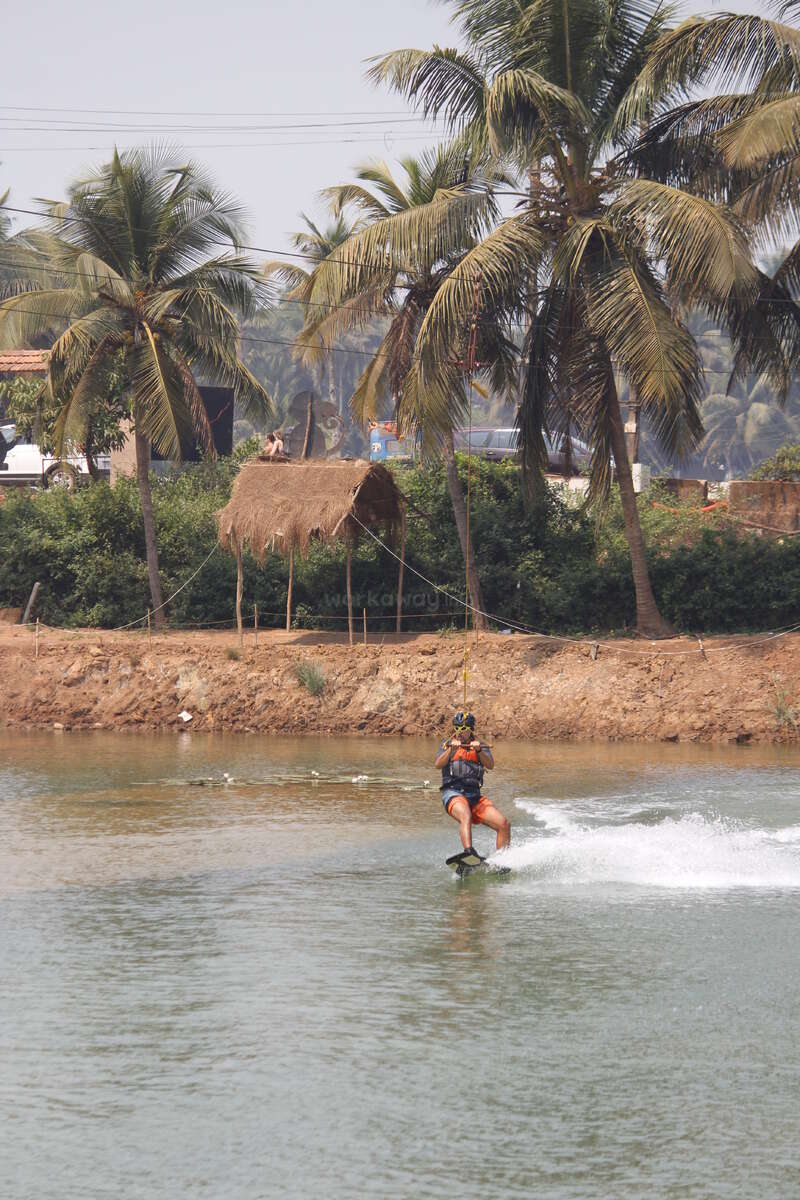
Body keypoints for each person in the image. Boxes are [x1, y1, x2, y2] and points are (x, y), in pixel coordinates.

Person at [434, 711, 510, 855]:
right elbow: (438, 764)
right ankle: (469, 852)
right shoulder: (447, 744)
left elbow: (490, 765)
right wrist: (451, 750)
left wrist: (479, 750)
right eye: (457, 728)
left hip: (474, 796)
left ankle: (503, 859)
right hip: (453, 792)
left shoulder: (480, 746)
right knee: (465, 815)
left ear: (471, 729)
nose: (459, 732)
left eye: (463, 729)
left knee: (503, 824)